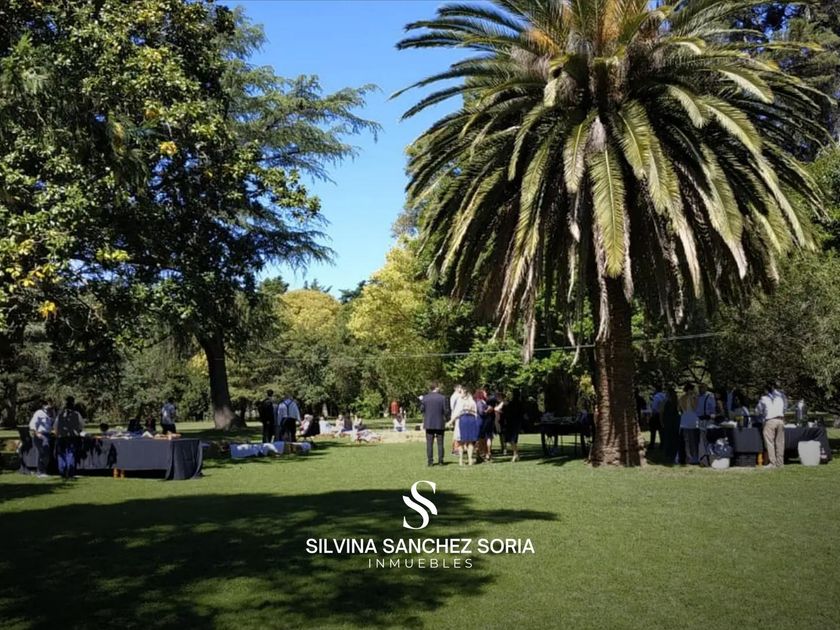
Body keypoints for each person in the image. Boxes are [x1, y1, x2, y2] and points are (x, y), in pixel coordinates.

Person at [757, 382, 786, 469]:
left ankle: (772, 463)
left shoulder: (764, 398)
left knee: (770, 442)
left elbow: (758, 410)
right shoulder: (781, 396)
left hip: (770, 420)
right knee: (780, 443)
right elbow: (785, 407)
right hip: (780, 420)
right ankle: (780, 463)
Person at [54, 396, 84, 479]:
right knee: (70, 454)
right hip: (72, 436)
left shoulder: (60, 415)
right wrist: (78, 431)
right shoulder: (76, 414)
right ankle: (70, 472)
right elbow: (81, 425)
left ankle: (62, 472)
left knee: (61, 454)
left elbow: (55, 426)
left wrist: (57, 434)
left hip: (61, 436)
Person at [449, 387, 479, 466]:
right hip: (472, 420)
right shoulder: (472, 401)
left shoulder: (460, 401)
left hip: (462, 420)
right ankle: (470, 459)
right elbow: (476, 413)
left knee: (460, 441)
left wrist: (451, 421)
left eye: (461, 392)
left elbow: (457, 413)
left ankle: (461, 460)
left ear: (464, 393)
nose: (459, 394)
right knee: (470, 441)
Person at [421, 383, 449, 466]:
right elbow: (446, 410)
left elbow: (422, 409)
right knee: (440, 443)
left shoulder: (425, 398)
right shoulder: (442, 398)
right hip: (439, 423)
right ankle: (441, 460)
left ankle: (430, 461)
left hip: (429, 423)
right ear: (436, 388)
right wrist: (446, 418)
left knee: (429, 443)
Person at [28, 399, 53, 477]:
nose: (50, 406)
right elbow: (32, 424)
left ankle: (43, 470)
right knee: (43, 453)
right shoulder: (39, 413)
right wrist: (37, 433)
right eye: (48, 404)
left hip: (47, 435)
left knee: (46, 453)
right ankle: (40, 471)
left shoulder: (49, 414)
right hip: (41, 435)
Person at [661, 387, 681, 465]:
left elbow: (661, 412)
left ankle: (669, 453)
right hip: (674, 421)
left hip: (669, 421)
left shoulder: (665, 402)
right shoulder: (675, 401)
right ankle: (673, 452)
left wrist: (661, 421)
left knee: (668, 438)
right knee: (674, 437)